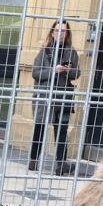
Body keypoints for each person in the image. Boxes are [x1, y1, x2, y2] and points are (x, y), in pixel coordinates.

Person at [29, 19, 81, 176]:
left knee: (61, 130)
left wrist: (67, 70)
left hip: (62, 96)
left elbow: (77, 74)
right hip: (44, 96)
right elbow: (35, 73)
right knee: (40, 127)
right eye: (57, 30)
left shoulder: (71, 52)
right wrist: (54, 70)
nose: (60, 33)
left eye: (63, 31)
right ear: (52, 32)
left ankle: (61, 165)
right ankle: (33, 160)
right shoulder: (44, 51)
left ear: (67, 34)